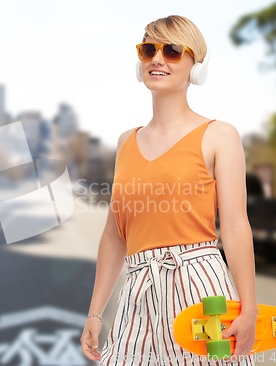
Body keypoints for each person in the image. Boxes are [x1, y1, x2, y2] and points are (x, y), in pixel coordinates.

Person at [80, 15, 258, 366]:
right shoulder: (125, 142)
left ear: (196, 67)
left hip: (199, 286)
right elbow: (116, 235)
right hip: (138, 290)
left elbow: (236, 226)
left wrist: (249, 306)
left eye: (173, 50)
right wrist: (94, 312)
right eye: (149, 50)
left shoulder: (219, 135)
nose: (157, 59)